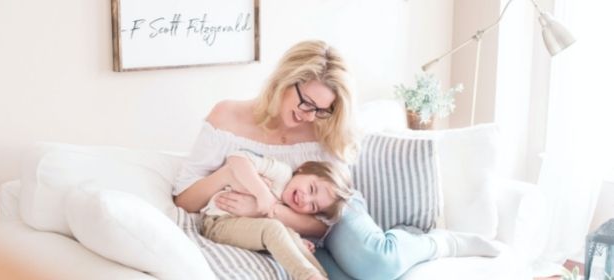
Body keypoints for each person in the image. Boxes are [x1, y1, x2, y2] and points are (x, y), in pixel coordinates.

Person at [173, 40, 500, 280]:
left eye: (321, 109)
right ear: (284, 82)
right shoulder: (227, 117)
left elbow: (324, 221)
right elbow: (184, 199)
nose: (308, 116)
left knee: (376, 265)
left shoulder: (323, 128)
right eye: (305, 102)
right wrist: (234, 176)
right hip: (281, 222)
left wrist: (268, 207)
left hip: (329, 204)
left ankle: (438, 243)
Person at [200, 150, 353, 280]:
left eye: (313, 206)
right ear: (303, 169)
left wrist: (294, 241)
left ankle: (320, 276)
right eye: (312, 189)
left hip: (248, 230)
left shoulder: (290, 209)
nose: (305, 199)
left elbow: (274, 228)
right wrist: (262, 193)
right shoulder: (281, 173)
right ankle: (308, 277)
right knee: (273, 228)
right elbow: (236, 158)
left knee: (291, 238)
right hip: (218, 223)